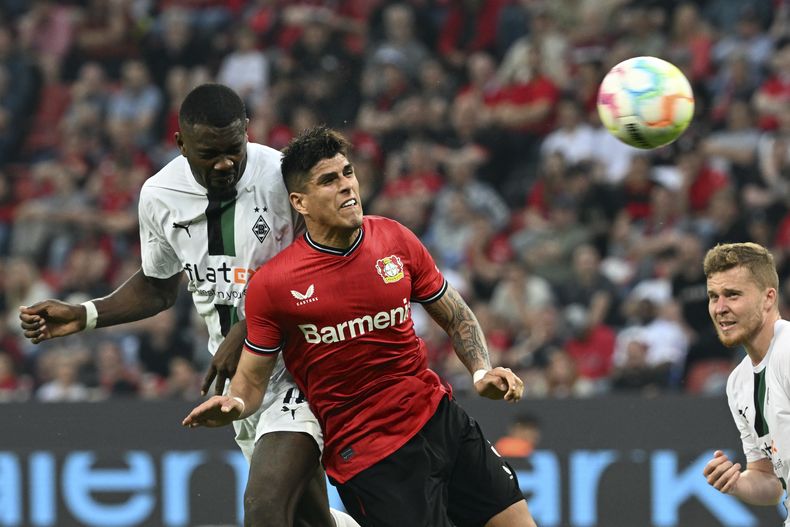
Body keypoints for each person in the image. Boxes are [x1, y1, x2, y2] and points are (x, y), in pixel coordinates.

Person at [18, 84, 358, 527]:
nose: (224, 163)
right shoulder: (159, 195)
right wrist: (86, 314)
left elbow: (329, 255)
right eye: (208, 153)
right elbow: (159, 287)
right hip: (238, 384)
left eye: (234, 149)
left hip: (303, 362)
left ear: (247, 133)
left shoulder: (281, 174)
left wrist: (253, 326)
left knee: (264, 509)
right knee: (308, 519)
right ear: (180, 144)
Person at [183, 125, 538, 527]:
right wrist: (234, 406)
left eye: (348, 173)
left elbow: (456, 315)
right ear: (299, 202)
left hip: (440, 420)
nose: (347, 186)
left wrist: (480, 371)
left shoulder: (394, 238)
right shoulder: (275, 284)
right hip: (373, 459)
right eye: (329, 181)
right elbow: (250, 381)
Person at [701, 242, 788, 524]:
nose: (720, 308)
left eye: (733, 295)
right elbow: (771, 480)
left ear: (768, 298)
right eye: (714, 297)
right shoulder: (738, 383)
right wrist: (737, 483)